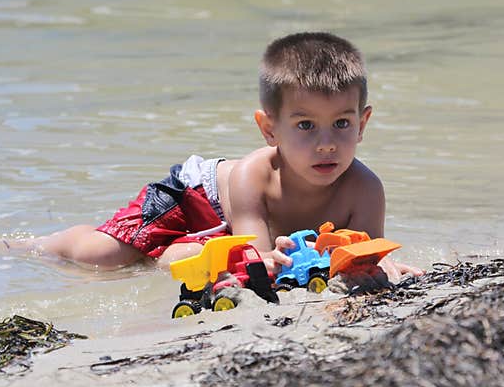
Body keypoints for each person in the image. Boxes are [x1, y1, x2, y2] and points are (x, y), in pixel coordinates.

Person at [27, 31, 424, 282]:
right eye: (305, 126)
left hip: (228, 233)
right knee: (105, 256)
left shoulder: (366, 189)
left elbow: (364, 249)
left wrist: (379, 266)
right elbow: (255, 254)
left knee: (194, 261)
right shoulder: (255, 174)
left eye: (341, 123)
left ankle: (171, 254)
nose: (327, 144)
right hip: (197, 197)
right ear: (269, 129)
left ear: (363, 123)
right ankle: (41, 243)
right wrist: (264, 262)